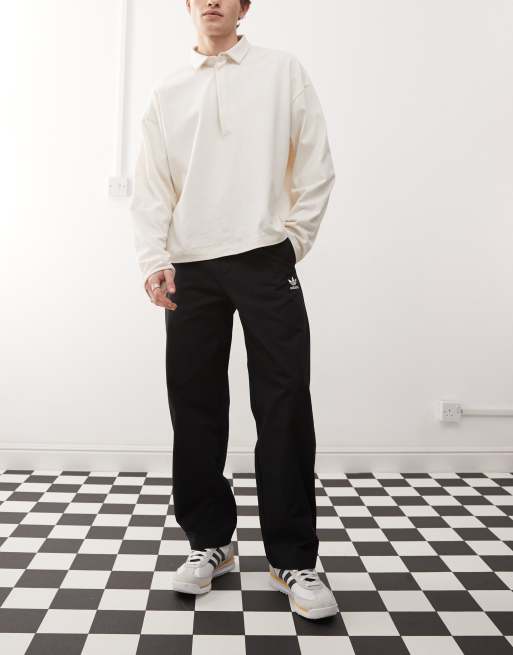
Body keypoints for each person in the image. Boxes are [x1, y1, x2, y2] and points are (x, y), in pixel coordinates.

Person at [129, 0, 338, 620]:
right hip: (190, 264)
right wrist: (153, 258)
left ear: (244, 6)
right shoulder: (168, 92)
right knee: (194, 403)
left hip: (264, 256)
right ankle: (210, 542)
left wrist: (292, 242)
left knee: (284, 400)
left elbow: (316, 161)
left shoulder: (281, 70)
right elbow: (152, 184)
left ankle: (292, 558)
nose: (213, 1)